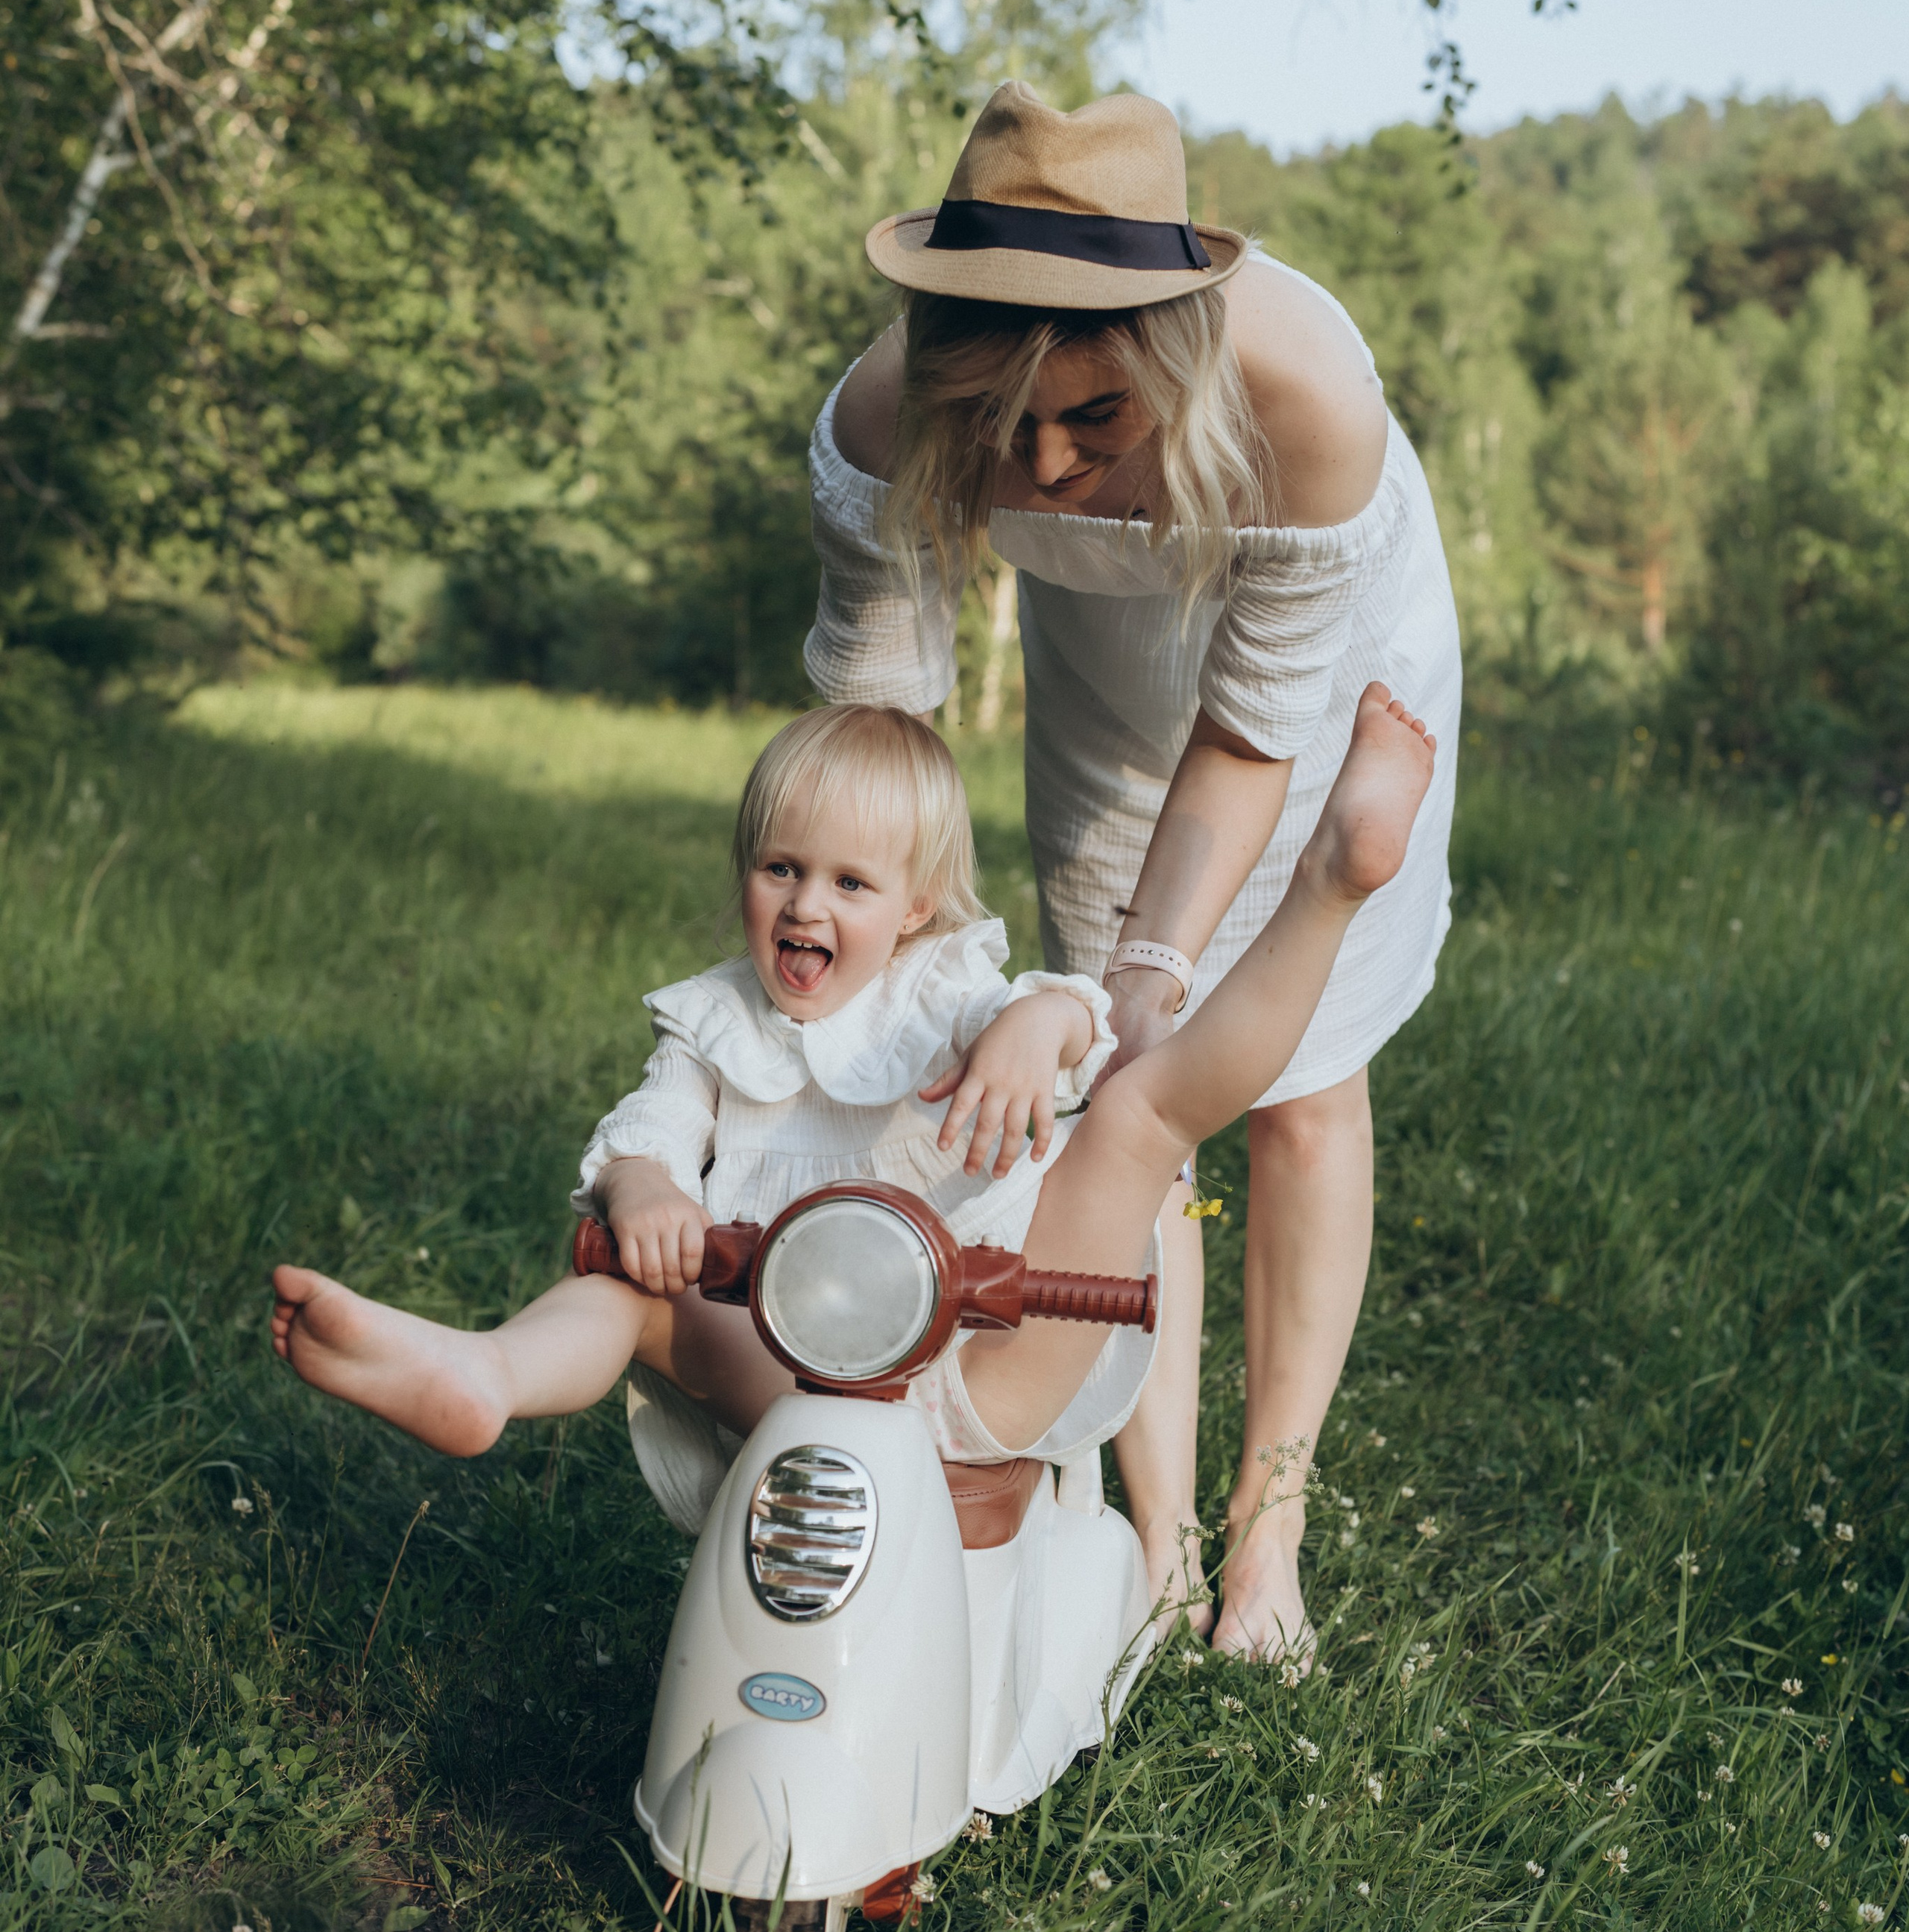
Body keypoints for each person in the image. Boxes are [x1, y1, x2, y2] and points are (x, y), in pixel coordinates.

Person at [805, 80, 1462, 1658]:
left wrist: (1158, 967)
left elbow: (1246, 737)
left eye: (1095, 422)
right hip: (1101, 681)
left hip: (1319, 689)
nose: (1039, 467)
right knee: (1124, 1109)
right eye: (1000, 425)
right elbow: (877, 746)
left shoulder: (1304, 405)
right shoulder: (881, 422)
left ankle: (1266, 1535)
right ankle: (1155, 1546)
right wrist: (899, 969)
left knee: (1297, 1082)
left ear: (1172, 361)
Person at [268, 688, 1438, 1501]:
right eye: (780, 868)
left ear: (916, 907)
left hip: (986, 1365)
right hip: (789, 1372)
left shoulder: (945, 992)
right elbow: (651, 1128)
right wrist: (641, 1190)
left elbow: (1070, 1020)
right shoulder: (717, 1022)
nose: (805, 905)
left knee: (1144, 1110)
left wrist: (1041, 1025)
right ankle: (485, 1375)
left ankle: (1330, 884)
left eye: (850, 883)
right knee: (626, 1292)